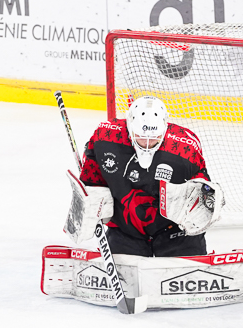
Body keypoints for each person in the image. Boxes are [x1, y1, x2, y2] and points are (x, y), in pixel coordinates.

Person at [66, 95, 224, 257]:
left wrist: (204, 205)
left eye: (153, 137)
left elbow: (202, 187)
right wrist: (92, 193)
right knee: (126, 280)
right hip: (126, 230)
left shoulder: (184, 148)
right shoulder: (105, 137)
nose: (147, 143)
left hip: (175, 232)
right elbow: (92, 170)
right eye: (141, 136)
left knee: (189, 278)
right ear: (129, 125)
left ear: (164, 128)